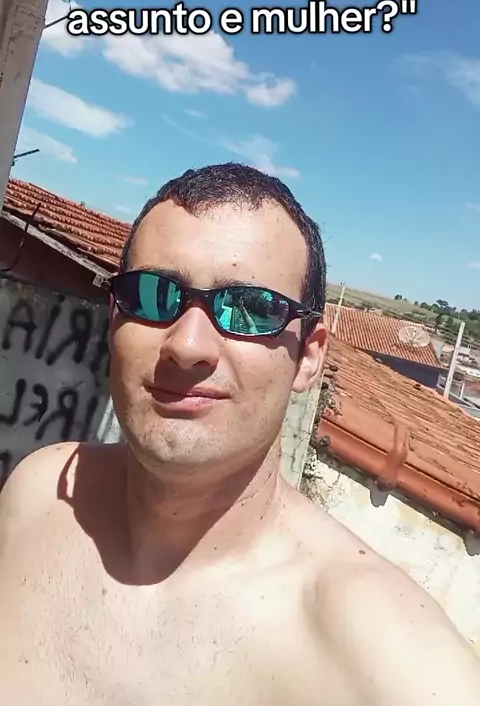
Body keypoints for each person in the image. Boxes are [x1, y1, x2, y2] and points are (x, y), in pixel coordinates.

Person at [0, 162, 478, 705]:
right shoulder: (36, 495)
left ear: (308, 357)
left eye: (250, 309)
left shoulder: (394, 664)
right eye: (153, 295)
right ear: (115, 319)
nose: (187, 346)